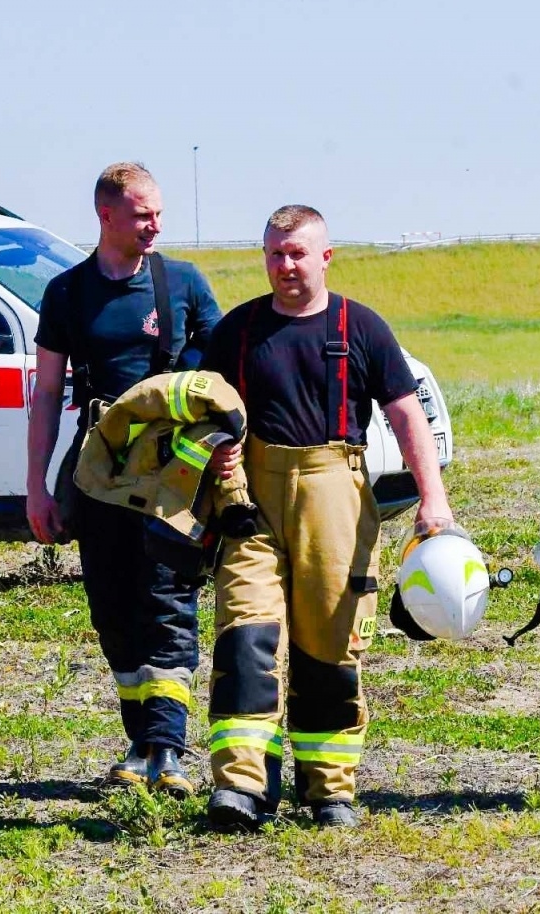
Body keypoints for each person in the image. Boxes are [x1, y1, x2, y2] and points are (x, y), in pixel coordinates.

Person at [200, 205, 453, 831]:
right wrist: (215, 459)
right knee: (245, 636)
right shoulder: (238, 330)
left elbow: (406, 416)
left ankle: (330, 788)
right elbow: (199, 414)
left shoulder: (361, 328)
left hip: (334, 494)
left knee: (330, 646)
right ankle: (241, 785)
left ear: (325, 257)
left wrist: (434, 500)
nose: (285, 266)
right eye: (275, 254)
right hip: (251, 501)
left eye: (297, 253)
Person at [26, 162, 222, 796]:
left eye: (158, 213)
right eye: (142, 214)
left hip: (171, 473)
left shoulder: (183, 284)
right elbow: (47, 391)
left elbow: (223, 373)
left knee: (167, 598)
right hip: (96, 470)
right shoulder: (66, 293)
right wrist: (38, 487)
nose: (154, 224)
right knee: (112, 606)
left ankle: (169, 747)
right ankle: (140, 742)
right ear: (105, 216)